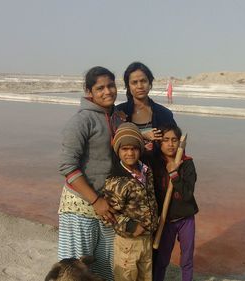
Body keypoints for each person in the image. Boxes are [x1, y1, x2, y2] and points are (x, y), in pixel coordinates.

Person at [58, 66, 123, 281]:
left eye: (111, 85)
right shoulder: (81, 120)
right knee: (76, 271)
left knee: (106, 267)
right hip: (80, 205)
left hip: (108, 206)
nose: (107, 91)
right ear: (89, 91)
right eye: (100, 88)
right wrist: (95, 200)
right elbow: (67, 166)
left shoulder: (116, 117)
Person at [102, 122, 159, 281]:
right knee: (126, 277)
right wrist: (131, 225)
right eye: (124, 149)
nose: (130, 153)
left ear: (140, 149)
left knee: (145, 276)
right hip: (127, 242)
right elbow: (107, 215)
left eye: (134, 148)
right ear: (118, 151)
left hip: (147, 239)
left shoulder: (146, 171)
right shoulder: (116, 181)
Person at [152, 124, 198, 281]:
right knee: (162, 259)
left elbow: (187, 194)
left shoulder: (187, 163)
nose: (170, 144)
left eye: (174, 140)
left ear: (180, 142)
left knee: (187, 258)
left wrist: (173, 174)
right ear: (160, 143)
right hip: (166, 221)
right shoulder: (155, 164)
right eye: (166, 140)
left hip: (186, 218)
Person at [116, 62, 177, 150]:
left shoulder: (164, 114)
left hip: (157, 163)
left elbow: (174, 142)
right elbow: (114, 138)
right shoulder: (119, 112)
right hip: (126, 163)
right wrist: (142, 135)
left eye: (143, 81)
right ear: (128, 86)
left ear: (150, 83)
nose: (140, 86)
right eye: (134, 82)